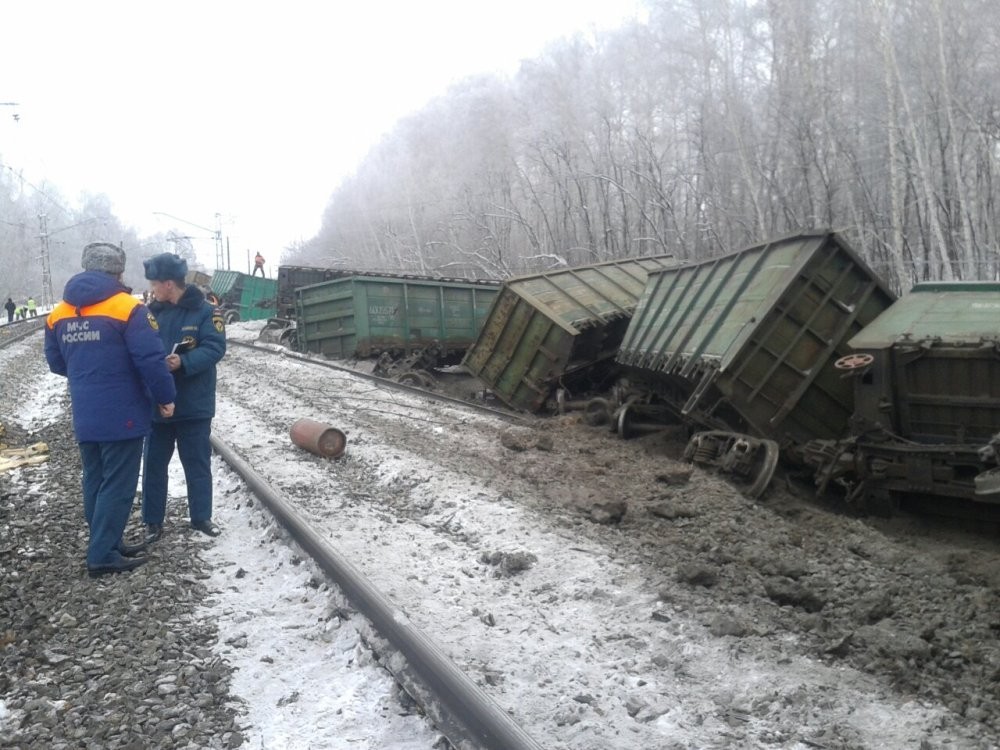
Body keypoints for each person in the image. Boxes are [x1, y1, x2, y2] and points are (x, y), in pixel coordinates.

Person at [44, 242, 177, 578]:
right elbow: (150, 360)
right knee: (118, 482)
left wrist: (88, 371)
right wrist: (166, 397)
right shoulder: (128, 308)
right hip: (123, 411)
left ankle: (108, 541)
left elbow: (56, 363)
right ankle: (102, 554)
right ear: (117, 272)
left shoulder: (59, 312)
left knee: (95, 478)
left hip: (85, 411)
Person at [141, 252, 227, 541]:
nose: (152, 289)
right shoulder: (151, 313)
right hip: (159, 404)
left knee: (197, 464)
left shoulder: (205, 312)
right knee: (153, 465)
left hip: (194, 404)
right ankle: (152, 520)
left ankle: (201, 517)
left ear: (168, 284)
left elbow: (215, 347)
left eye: (155, 283)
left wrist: (183, 363)